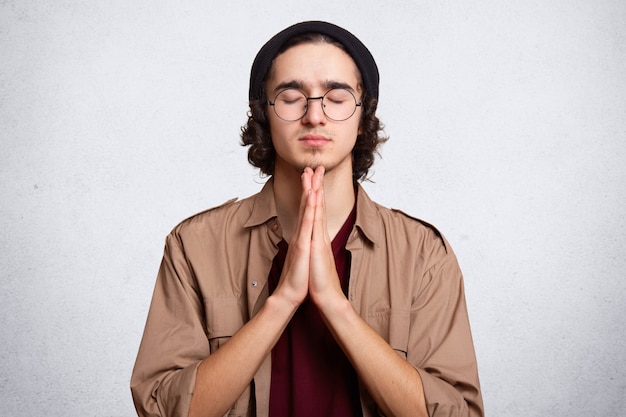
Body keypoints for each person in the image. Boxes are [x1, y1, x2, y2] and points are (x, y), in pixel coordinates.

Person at [131, 21, 484, 417]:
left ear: (363, 117)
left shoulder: (423, 255)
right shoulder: (193, 245)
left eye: (337, 96)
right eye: (291, 96)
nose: (314, 115)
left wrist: (335, 305)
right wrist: (281, 302)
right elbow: (159, 410)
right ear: (262, 115)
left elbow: (459, 413)